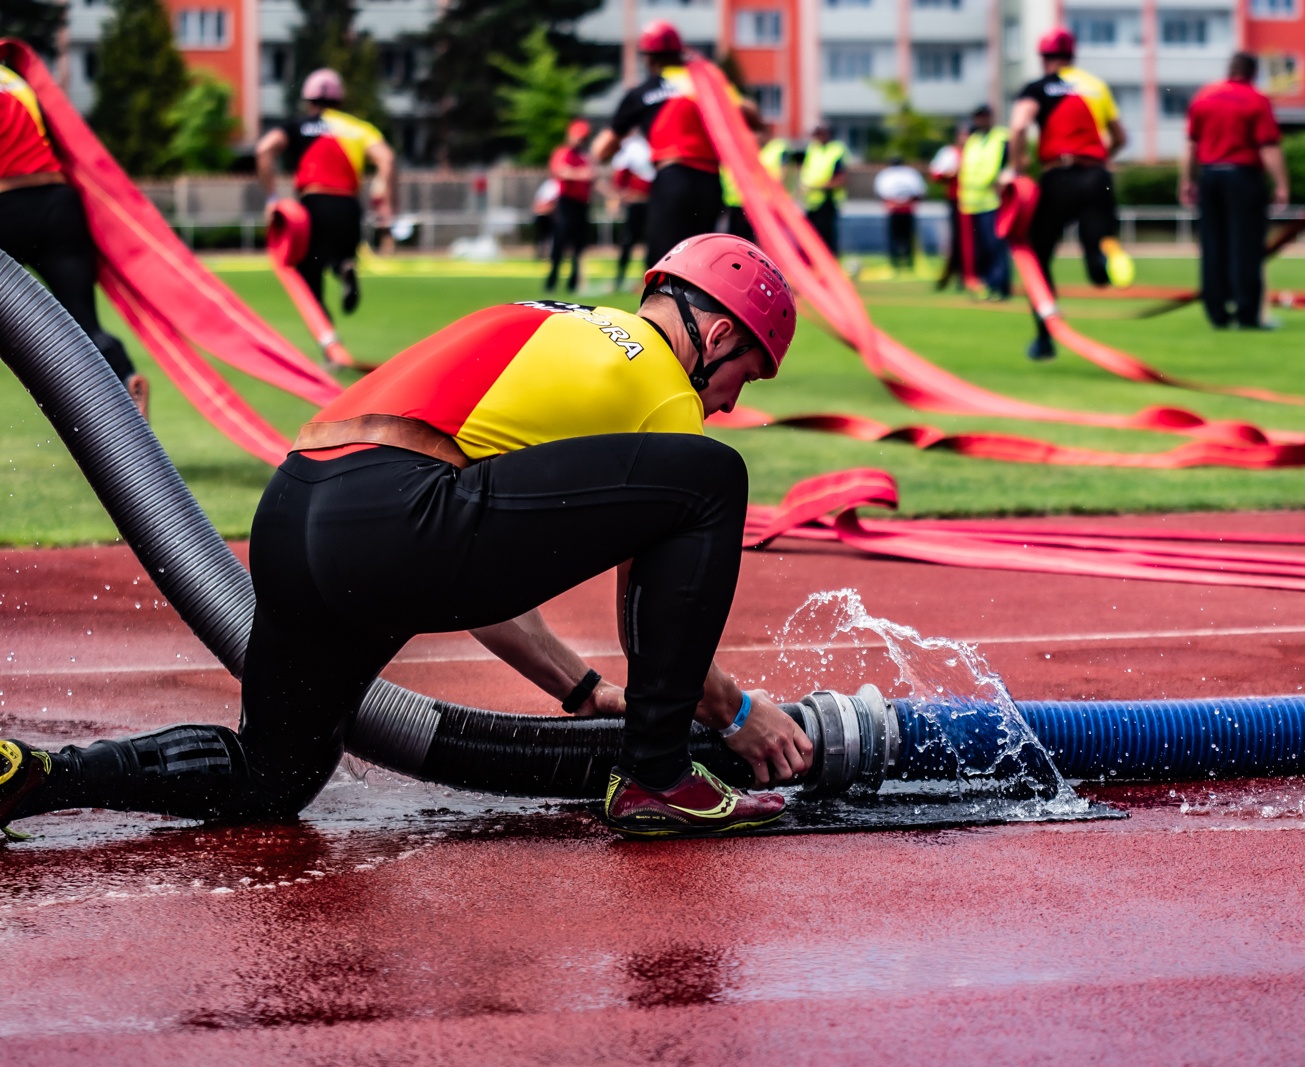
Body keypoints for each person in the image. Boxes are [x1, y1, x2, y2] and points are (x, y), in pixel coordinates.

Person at [0, 233, 814, 841]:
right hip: (399, 515)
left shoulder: (553, 324)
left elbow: (473, 577)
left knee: (271, 775)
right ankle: (658, 778)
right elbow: (654, 621)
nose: (732, 402)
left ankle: (39, 774)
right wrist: (738, 711)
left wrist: (576, 692)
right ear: (716, 339)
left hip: (297, 511)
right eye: (748, 374)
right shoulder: (665, 387)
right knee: (713, 478)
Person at [0, 62, 146, 416]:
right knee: (83, 323)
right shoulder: (14, 81)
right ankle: (125, 379)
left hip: (5, 208)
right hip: (58, 204)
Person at [1007, 29, 1135, 360]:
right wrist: (1100, 156)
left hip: (1057, 175)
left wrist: (1018, 164)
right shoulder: (1096, 86)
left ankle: (1045, 337)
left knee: (1039, 254)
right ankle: (1100, 262)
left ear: (1043, 58)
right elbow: (1121, 137)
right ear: (1073, 56)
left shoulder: (1038, 87)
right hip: (1097, 174)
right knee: (1097, 239)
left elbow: (1019, 126)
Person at [594, 21, 760, 267]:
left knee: (665, 260)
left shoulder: (643, 92)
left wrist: (617, 148)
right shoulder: (705, 85)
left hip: (673, 179)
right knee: (701, 263)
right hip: (710, 183)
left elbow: (601, 150)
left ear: (648, 58)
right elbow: (752, 116)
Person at [255, 69, 396, 318]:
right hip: (349, 208)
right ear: (340, 100)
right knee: (340, 257)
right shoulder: (359, 129)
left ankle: (327, 338)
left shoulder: (298, 126)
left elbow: (264, 149)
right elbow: (388, 159)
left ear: (308, 99)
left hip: (313, 205)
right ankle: (344, 268)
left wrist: (272, 198)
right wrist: (384, 201)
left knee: (309, 272)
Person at [1180, 52, 1289, 329]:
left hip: (1211, 176)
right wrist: (1281, 184)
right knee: (1246, 247)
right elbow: (1267, 146)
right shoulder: (1256, 100)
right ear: (1252, 73)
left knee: (1213, 246)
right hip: (1243, 177)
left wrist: (1187, 181)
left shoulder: (1204, 96)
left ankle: (1216, 312)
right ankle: (1247, 314)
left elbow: (1192, 145)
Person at [959, 105, 1011, 300]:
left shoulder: (1001, 137)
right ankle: (987, 285)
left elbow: (1012, 162)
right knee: (981, 249)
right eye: (978, 117)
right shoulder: (973, 140)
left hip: (993, 201)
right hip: (972, 201)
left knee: (995, 246)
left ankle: (1000, 286)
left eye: (984, 117)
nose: (981, 121)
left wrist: (1007, 177)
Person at [546, 118, 594, 294]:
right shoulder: (563, 153)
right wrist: (581, 174)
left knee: (579, 245)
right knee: (560, 241)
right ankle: (552, 280)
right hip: (566, 204)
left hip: (582, 205)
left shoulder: (584, 156)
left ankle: (574, 282)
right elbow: (561, 171)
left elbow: (591, 176)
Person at [723, 121, 788, 243]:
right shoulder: (749, 149)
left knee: (760, 241)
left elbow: (780, 177)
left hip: (765, 204)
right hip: (741, 203)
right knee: (738, 238)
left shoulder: (776, 149)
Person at [610, 132, 655, 290]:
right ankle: (619, 279)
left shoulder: (639, 146)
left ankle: (646, 281)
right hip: (637, 204)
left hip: (648, 203)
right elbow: (620, 177)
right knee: (629, 241)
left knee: (649, 242)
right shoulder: (634, 147)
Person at [800, 124, 849, 254]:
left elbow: (840, 179)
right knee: (810, 237)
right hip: (812, 201)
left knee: (826, 237)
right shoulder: (813, 149)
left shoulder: (836, 151)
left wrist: (818, 186)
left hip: (828, 200)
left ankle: (829, 267)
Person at [874, 156, 926, 272]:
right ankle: (906, 262)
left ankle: (897, 262)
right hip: (905, 209)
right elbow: (920, 192)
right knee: (906, 237)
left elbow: (881, 193)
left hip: (896, 209)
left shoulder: (886, 174)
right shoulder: (911, 174)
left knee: (896, 237)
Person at [928, 135, 964, 290]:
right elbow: (936, 173)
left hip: (976, 201)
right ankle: (955, 274)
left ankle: (961, 274)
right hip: (957, 200)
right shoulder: (950, 152)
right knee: (957, 239)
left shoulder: (974, 150)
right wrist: (950, 173)